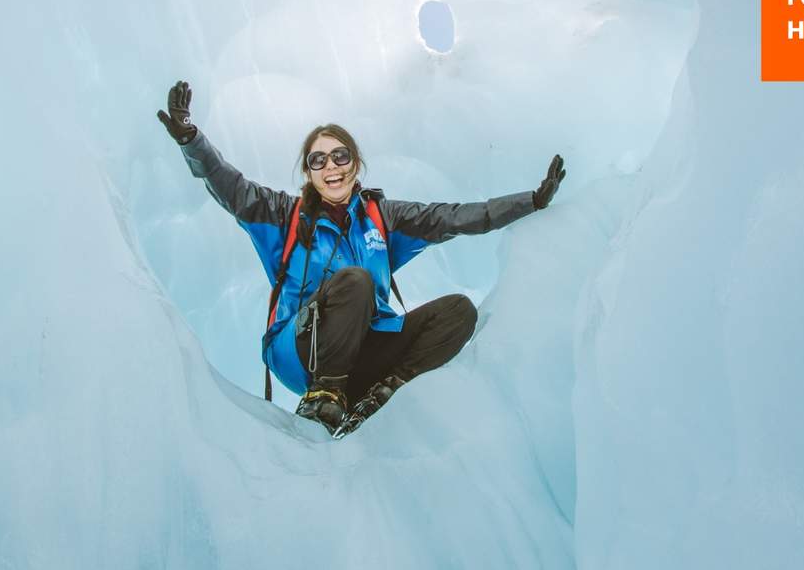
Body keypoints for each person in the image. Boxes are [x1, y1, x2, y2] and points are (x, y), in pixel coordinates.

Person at [157, 80, 566, 436]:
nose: (330, 166)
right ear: (309, 172)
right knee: (356, 281)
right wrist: (190, 138)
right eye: (318, 160)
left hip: (365, 351)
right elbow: (230, 186)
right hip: (303, 351)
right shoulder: (283, 216)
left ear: (355, 166)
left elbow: (453, 217)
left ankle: (382, 394)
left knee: (458, 312)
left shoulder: (382, 220)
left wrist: (530, 202)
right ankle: (323, 397)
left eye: (340, 156)